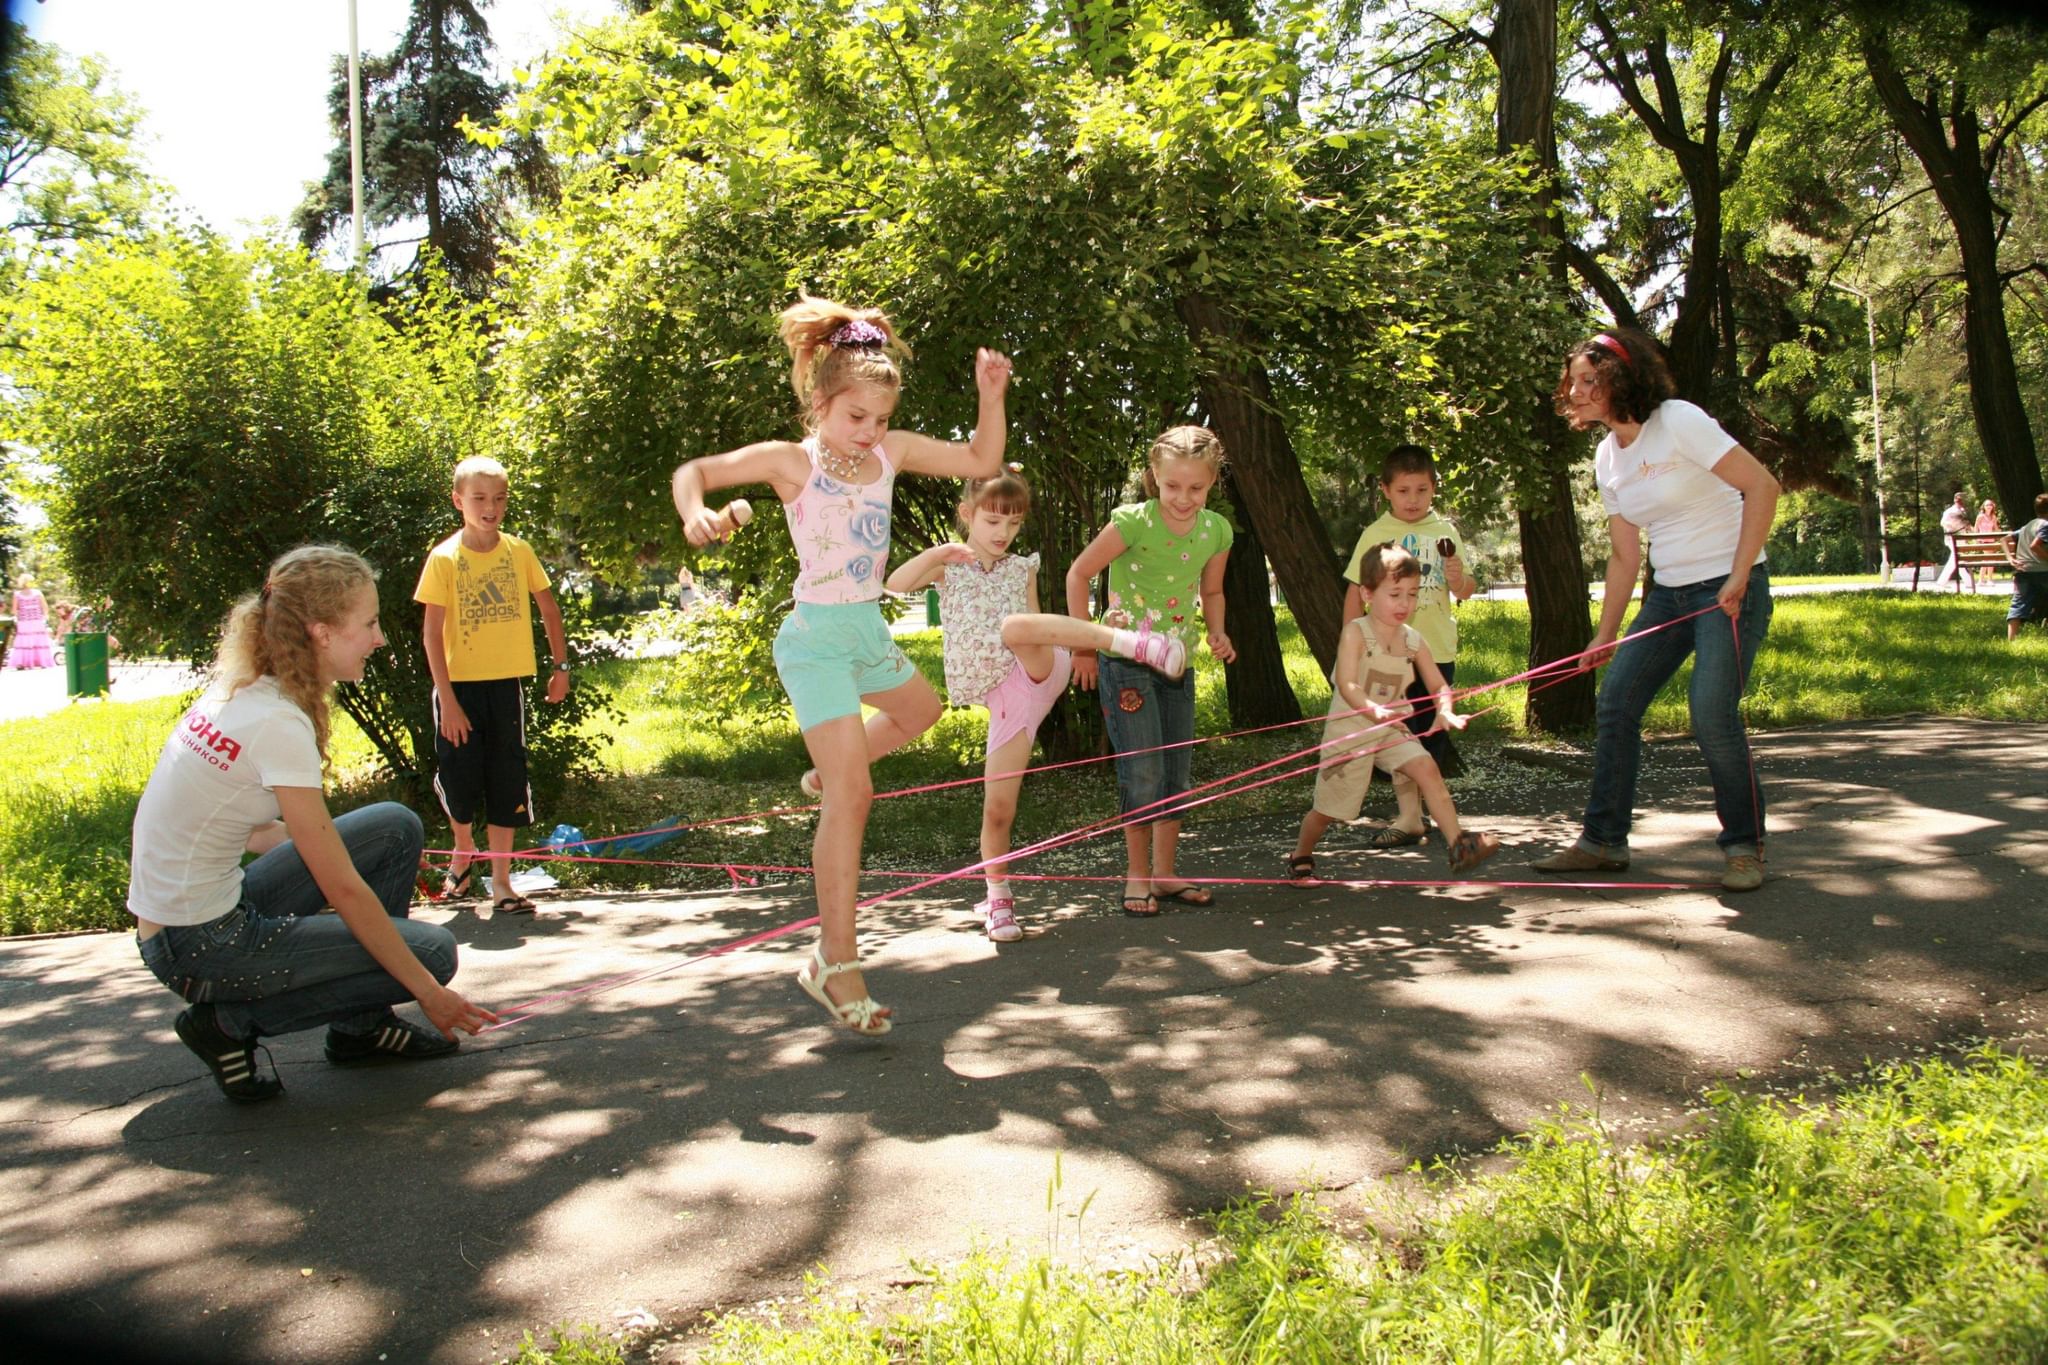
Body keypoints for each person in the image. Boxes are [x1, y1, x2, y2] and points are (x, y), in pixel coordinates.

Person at [672, 295, 1013, 1034]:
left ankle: (832, 768)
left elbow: (982, 460)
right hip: (816, 639)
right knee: (854, 798)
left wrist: (993, 396)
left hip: (864, 628)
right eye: (856, 417)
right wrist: (694, 510)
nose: (870, 432)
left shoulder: (888, 454)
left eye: (881, 419)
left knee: (921, 711)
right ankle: (836, 960)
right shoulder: (791, 462)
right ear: (820, 401)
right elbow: (694, 470)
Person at [130, 546, 497, 1102]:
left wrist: (344, 857)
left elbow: (251, 832)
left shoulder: (247, 690)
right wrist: (427, 993)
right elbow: (341, 887)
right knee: (432, 955)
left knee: (394, 828)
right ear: (322, 633)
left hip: (180, 924)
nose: (380, 638)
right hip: (199, 945)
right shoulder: (276, 722)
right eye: (369, 624)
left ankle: (361, 1029)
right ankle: (226, 1026)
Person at [886, 466, 1186, 942]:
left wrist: (1082, 648)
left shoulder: (1022, 566)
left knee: (1015, 626)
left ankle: (1133, 643)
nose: (1003, 533)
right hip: (1009, 700)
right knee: (998, 808)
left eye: (1013, 523)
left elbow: (1037, 623)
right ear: (967, 515)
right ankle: (998, 899)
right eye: (992, 522)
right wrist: (938, 551)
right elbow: (894, 586)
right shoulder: (950, 566)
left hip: (1040, 669)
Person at [1532, 328, 1780, 893]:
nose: (1575, 392)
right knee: (1616, 705)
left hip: (1729, 588)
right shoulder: (1606, 456)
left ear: (1622, 377)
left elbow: (1763, 487)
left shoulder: (1679, 420)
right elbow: (1624, 556)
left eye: (1588, 380)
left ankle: (1745, 848)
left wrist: (1740, 574)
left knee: (1711, 716)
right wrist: (1605, 636)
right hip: (1669, 595)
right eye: (1572, 382)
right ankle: (1602, 843)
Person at [1067, 425, 1237, 917]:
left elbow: (1214, 592)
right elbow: (1078, 573)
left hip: (1177, 665)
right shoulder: (1132, 523)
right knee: (1142, 772)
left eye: (1196, 488)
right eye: (1172, 486)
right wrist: (1083, 646)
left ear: (1212, 484)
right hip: (1125, 662)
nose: (1184, 498)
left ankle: (1164, 874)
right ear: (1153, 479)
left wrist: (1217, 631)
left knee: (1175, 775)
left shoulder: (1216, 531)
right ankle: (1136, 876)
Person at [414, 455, 571, 916]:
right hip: (458, 688)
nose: (491, 507)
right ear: (458, 501)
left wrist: (560, 667)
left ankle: (501, 883)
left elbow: (549, 609)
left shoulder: (517, 551)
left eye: (499, 498)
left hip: (505, 686)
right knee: (461, 782)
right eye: (480, 498)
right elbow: (430, 634)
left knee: (507, 778)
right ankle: (463, 849)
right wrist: (447, 698)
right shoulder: (444, 558)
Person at [1289, 544, 1496, 885]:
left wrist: (1445, 709)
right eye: (1395, 593)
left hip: (1391, 728)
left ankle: (1460, 844)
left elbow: (1438, 685)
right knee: (1329, 811)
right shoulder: (1356, 632)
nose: (1405, 603)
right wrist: (1373, 708)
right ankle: (1301, 854)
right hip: (1351, 730)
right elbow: (1347, 683)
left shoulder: (1413, 640)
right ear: (1367, 594)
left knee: (1427, 767)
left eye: (1412, 594)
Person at [1337, 445, 1478, 848]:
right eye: (1403, 491)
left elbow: (1466, 590)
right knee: (1401, 733)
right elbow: (1355, 592)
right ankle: (1411, 816)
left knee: (1430, 732)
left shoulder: (1446, 532)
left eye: (1421, 490)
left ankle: (1429, 812)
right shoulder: (1376, 534)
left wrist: (1456, 579)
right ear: (1385, 490)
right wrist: (1354, 642)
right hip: (1386, 655)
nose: (1412, 500)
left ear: (1434, 488)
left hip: (1435, 650)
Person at [2007, 492, 2048, 642]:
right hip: (2042, 571)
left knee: (2018, 604)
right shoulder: (2046, 525)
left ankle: (2011, 640)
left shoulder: (2028, 525)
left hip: (2023, 571)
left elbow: (2004, 539)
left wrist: (2010, 558)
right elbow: (2035, 546)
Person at [6, 577, 55, 670]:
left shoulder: (18, 595)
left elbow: (14, 610)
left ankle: (23, 663)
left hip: (25, 621)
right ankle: (41, 662)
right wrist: (45, 617)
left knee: (25, 641)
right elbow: (45, 607)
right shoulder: (37, 593)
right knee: (38, 640)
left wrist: (19, 616)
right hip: (35, 620)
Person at [1935, 491, 1975, 590]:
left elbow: (1967, 524)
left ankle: (1968, 582)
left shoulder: (1963, 511)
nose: (1960, 502)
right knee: (1955, 559)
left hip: (1961, 537)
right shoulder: (1950, 511)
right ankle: (1942, 582)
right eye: (1959, 500)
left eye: (1962, 500)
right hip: (1952, 537)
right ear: (1955, 500)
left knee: (1957, 559)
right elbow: (1943, 523)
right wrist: (1955, 527)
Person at [1975, 499, 2001, 584]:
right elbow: (1976, 528)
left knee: (1988, 559)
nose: (1989, 506)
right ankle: (1986, 580)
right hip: (1983, 540)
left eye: (1990, 505)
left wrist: (2000, 536)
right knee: (1988, 559)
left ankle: (1984, 580)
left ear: (1993, 506)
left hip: (1991, 540)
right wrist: (1977, 539)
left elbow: (1996, 528)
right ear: (1984, 507)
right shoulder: (1980, 516)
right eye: (1987, 505)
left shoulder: (1993, 517)